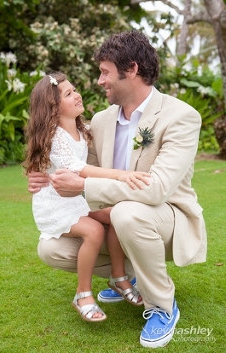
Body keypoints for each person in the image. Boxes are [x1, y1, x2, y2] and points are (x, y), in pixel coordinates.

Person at [28, 31, 207, 348]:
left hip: (166, 218)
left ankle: (162, 306)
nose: (99, 81)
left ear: (133, 69)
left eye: (105, 72)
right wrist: (45, 177)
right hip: (118, 216)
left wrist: (83, 185)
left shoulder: (181, 117)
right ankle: (125, 275)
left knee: (126, 214)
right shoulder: (99, 120)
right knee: (51, 247)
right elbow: (76, 164)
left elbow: (156, 190)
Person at [24, 72, 150, 322]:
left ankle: (118, 278)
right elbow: (79, 169)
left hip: (76, 199)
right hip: (56, 204)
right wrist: (120, 175)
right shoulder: (55, 137)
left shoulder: (83, 129)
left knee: (116, 215)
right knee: (94, 231)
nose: (77, 94)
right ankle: (82, 294)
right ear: (53, 106)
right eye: (68, 94)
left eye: (74, 89)